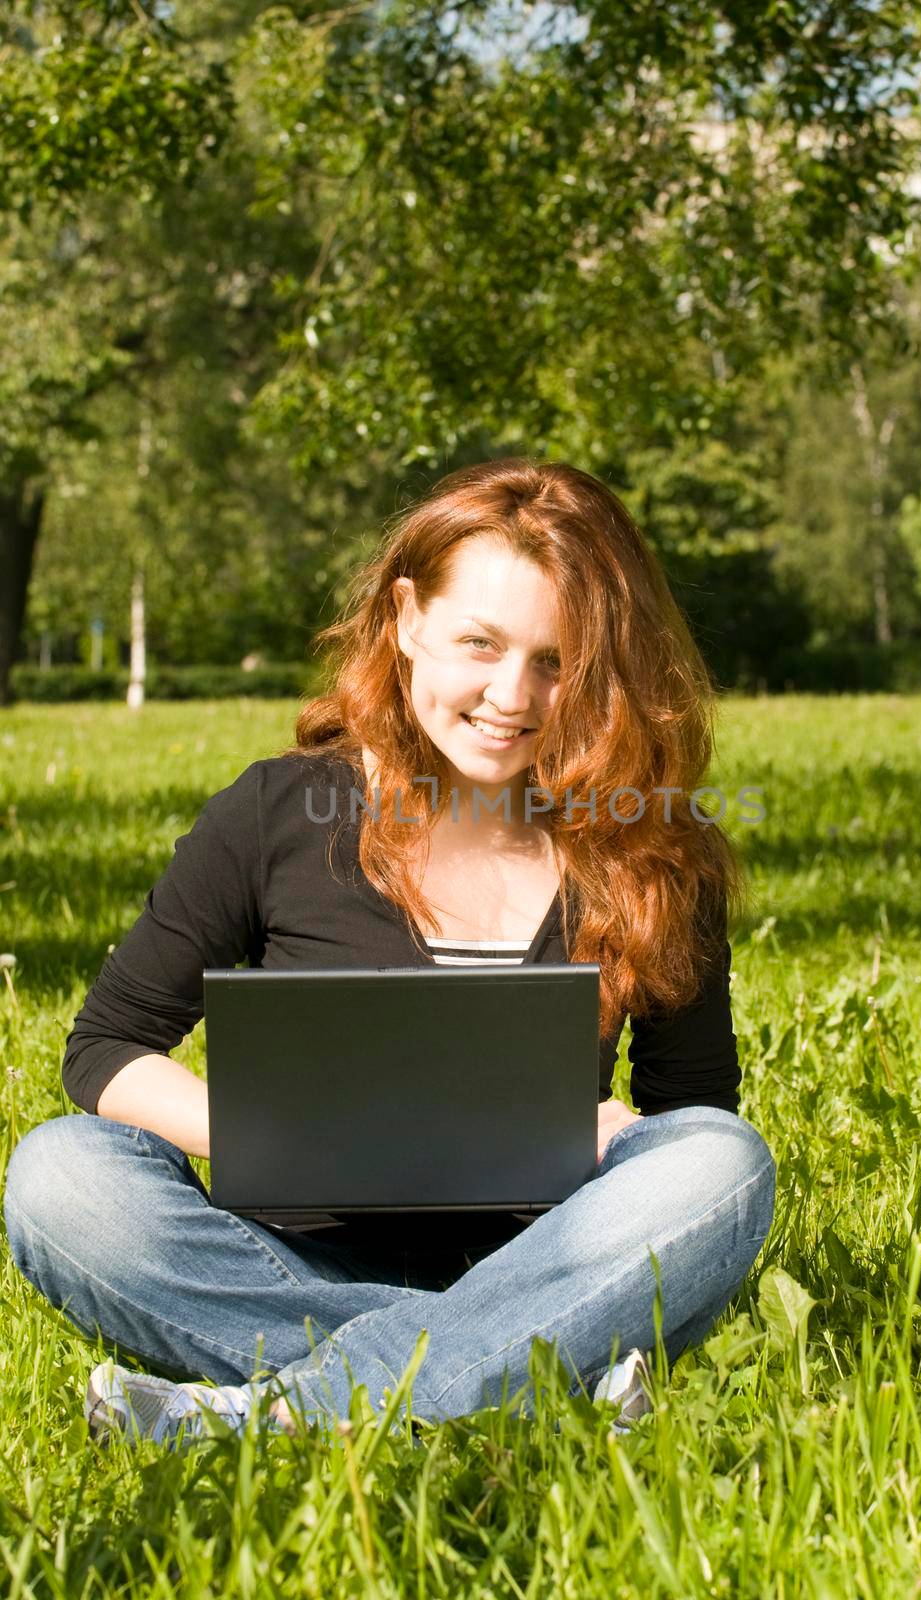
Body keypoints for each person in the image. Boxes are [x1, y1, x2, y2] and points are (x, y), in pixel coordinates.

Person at [3, 457, 776, 1448]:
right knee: (61, 1175)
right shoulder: (279, 810)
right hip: (284, 1266)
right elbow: (105, 1048)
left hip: (549, 1261)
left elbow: (692, 1117)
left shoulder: (650, 851)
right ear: (408, 618)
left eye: (556, 659)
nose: (514, 694)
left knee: (722, 1164)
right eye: (479, 644)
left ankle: (268, 1417)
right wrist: (287, 1140)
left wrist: (623, 1143)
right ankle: (510, 1378)